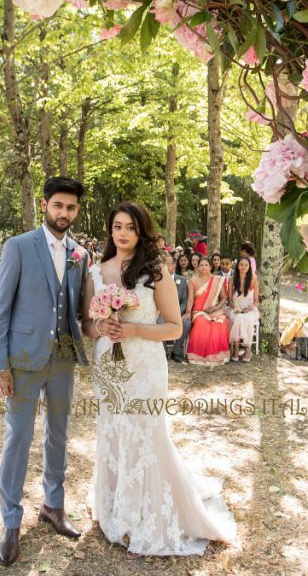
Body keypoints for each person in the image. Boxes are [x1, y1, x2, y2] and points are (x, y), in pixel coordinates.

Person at [82, 202, 237, 555]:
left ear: (142, 232)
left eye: (130, 228)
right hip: (109, 364)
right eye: (117, 226)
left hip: (145, 366)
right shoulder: (95, 271)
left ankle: (143, 516)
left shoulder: (155, 272)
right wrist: (100, 327)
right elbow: (87, 325)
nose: (122, 233)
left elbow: (174, 327)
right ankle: (115, 511)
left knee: (145, 433)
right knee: (113, 431)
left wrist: (133, 327)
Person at [0, 176, 89, 567]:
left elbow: (79, 309)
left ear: (77, 211)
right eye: (58, 206)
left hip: (64, 359)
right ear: (45, 205)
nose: (64, 213)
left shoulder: (81, 254)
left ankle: (54, 505)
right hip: (24, 359)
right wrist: (0, 364)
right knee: (19, 437)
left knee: (58, 435)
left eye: (71, 208)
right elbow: (1, 310)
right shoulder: (18, 246)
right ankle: (11, 521)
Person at [186, 258, 230, 364]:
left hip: (215, 310)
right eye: (201, 265)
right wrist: (188, 312)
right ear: (198, 267)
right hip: (199, 312)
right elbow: (191, 299)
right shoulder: (193, 280)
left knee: (219, 324)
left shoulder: (218, 279)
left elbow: (224, 297)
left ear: (210, 267)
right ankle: (198, 356)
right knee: (201, 323)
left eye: (206, 265)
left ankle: (217, 356)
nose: (203, 267)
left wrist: (216, 308)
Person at [228, 256, 260, 361]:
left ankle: (247, 348)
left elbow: (256, 301)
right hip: (234, 308)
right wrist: (235, 307)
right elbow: (230, 300)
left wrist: (249, 308)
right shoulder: (232, 280)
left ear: (249, 267)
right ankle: (236, 348)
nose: (244, 267)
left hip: (250, 309)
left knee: (248, 318)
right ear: (237, 266)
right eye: (241, 264)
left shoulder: (254, 280)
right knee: (237, 317)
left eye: (246, 265)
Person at [163, 255, 190, 363]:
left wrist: (177, 312)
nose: (165, 266)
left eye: (167, 264)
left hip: (178, 312)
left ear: (174, 265)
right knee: (157, 322)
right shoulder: (157, 280)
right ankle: (164, 351)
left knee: (187, 323)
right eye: (163, 264)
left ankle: (176, 351)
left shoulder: (182, 280)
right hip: (162, 312)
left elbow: (184, 301)